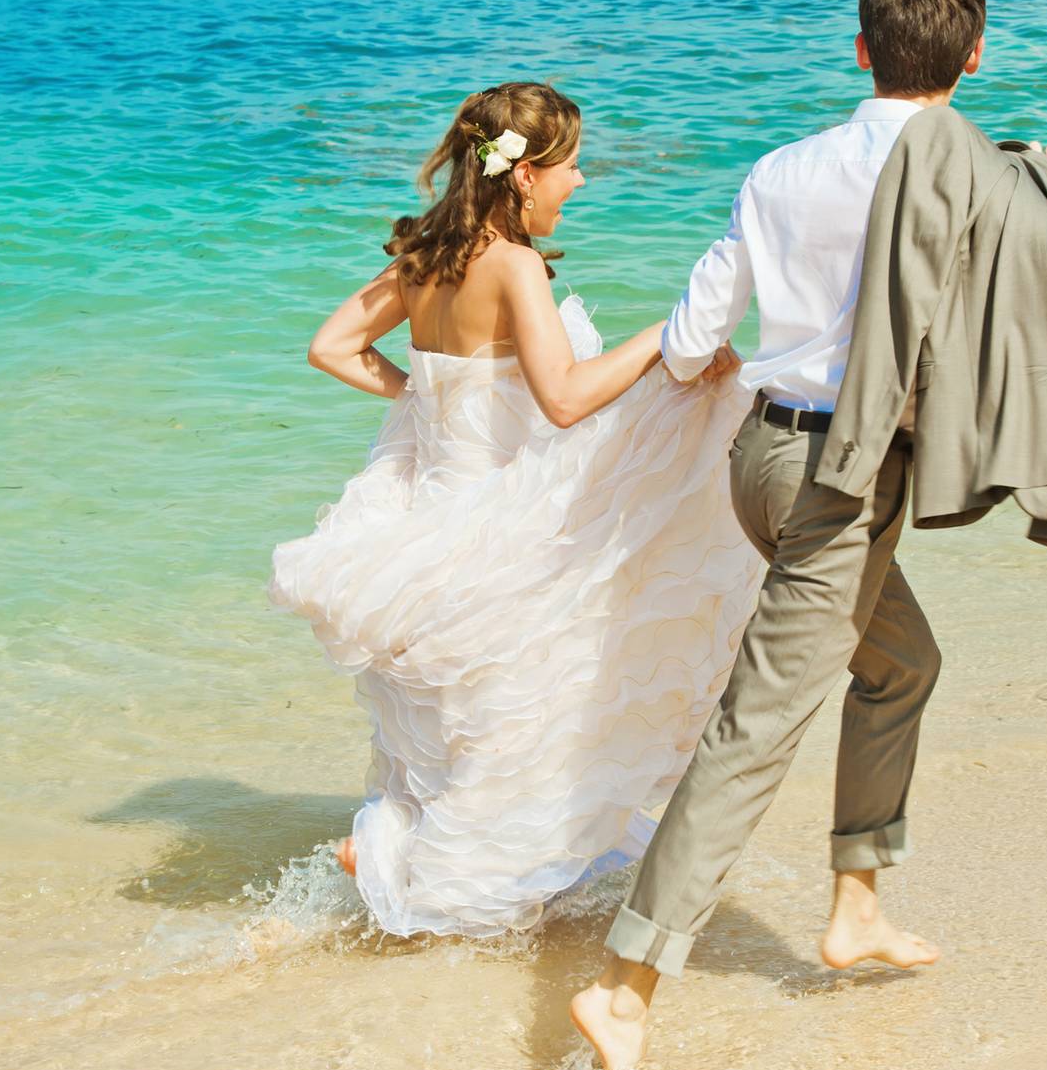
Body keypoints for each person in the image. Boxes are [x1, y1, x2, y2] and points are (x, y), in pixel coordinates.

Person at [569, 0, 1047, 1070]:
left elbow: (694, 343)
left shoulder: (780, 169)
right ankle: (623, 983)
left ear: (860, 51)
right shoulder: (978, 182)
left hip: (762, 462)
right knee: (756, 731)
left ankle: (855, 905)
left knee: (901, 664)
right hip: (844, 490)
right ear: (976, 57)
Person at [268, 82, 756, 940]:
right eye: (570, 167)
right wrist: (669, 335)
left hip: (424, 521)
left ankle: (391, 848)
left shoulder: (425, 257)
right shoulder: (514, 265)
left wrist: (420, 399)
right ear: (524, 175)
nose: (580, 183)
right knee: (527, 718)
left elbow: (329, 346)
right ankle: (422, 874)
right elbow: (564, 400)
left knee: (470, 729)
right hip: (502, 518)